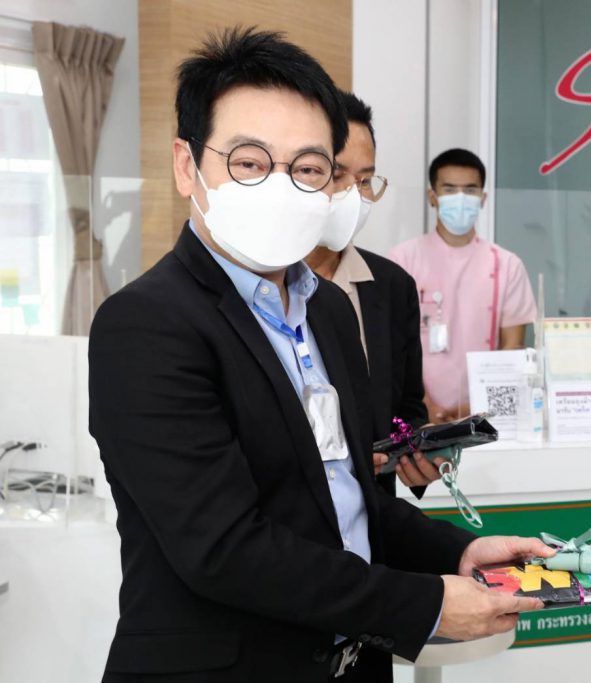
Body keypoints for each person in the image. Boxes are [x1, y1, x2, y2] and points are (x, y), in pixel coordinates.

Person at [88, 28, 550, 683]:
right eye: (249, 162)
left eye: (307, 169)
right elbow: (224, 547)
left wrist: (459, 552)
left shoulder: (327, 310)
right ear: (188, 166)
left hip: (353, 662)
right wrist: (426, 604)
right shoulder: (146, 324)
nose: (281, 188)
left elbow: (350, 498)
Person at [306, 90, 441, 495]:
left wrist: (417, 453)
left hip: (375, 514)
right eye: (337, 175)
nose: (354, 194)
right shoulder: (260, 285)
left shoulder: (392, 286)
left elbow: (406, 409)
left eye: (365, 180)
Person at [388, 149, 537, 422]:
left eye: (470, 190)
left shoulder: (507, 264)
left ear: (483, 198)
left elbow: (513, 346)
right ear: (432, 197)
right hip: (416, 413)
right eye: (449, 189)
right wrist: (424, 405)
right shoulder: (402, 260)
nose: (460, 199)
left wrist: (477, 406)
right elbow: (391, 345)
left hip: (485, 415)